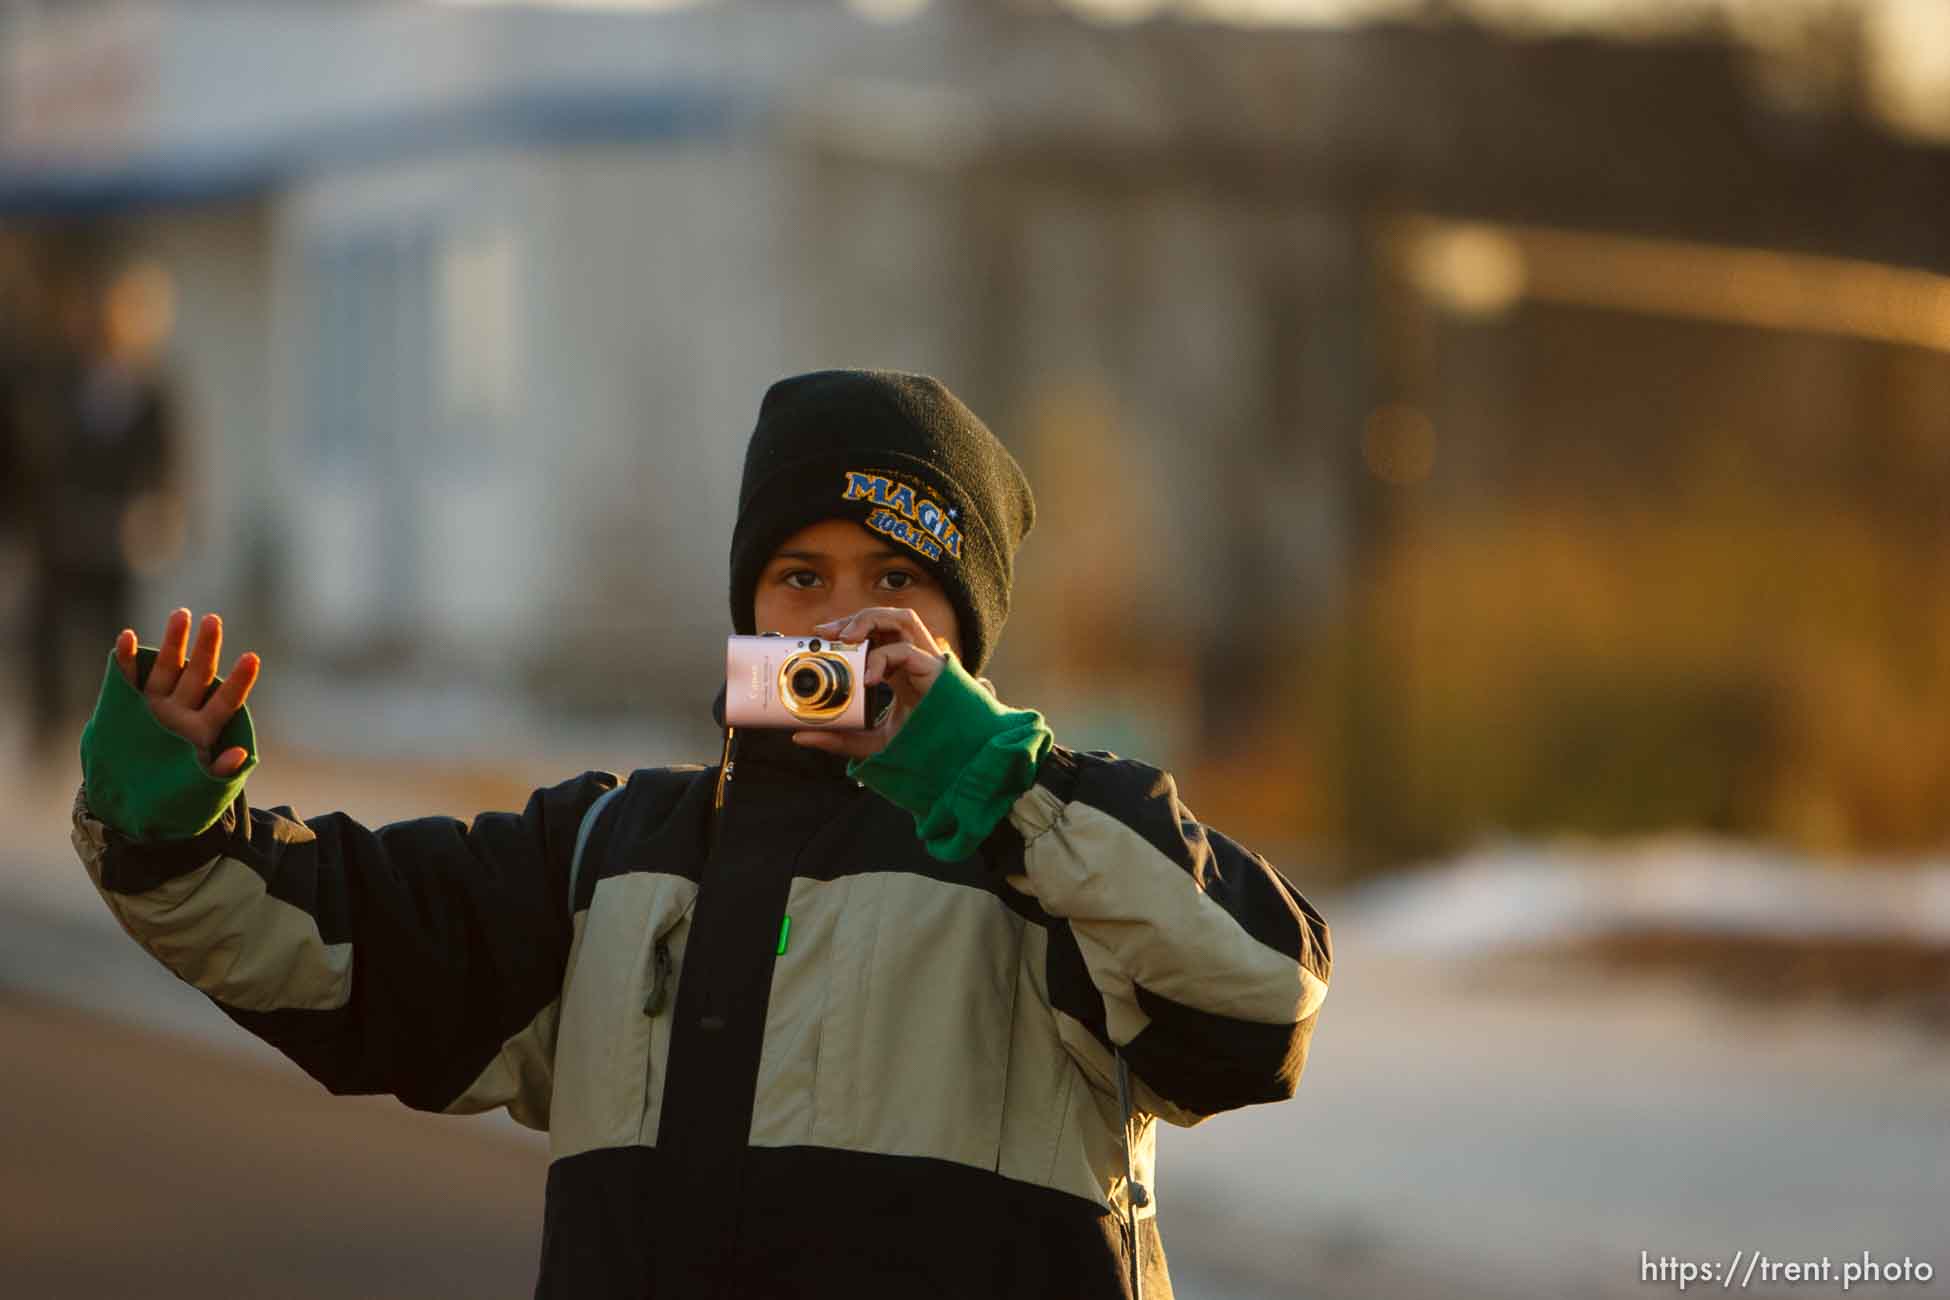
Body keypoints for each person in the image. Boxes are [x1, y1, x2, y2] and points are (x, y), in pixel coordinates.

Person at [71, 369, 1332, 1300]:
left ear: (963, 625)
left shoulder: (1054, 851)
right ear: (749, 605)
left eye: (898, 579)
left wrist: (993, 776)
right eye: (802, 576)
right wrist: (173, 822)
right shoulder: (615, 851)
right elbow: (344, 948)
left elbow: (1264, 999)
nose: (846, 618)